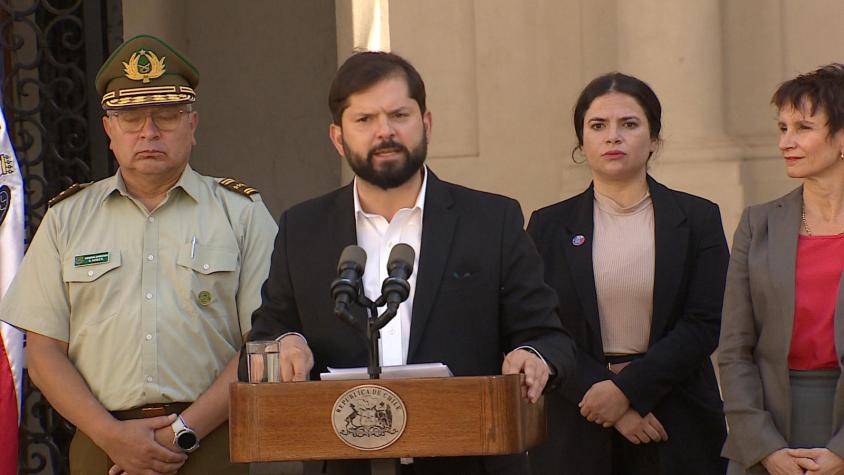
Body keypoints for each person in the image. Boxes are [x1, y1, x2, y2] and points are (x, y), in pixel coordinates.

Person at [243, 50, 576, 475]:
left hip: (469, 462)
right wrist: (286, 342)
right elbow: (265, 335)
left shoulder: (491, 221)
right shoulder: (302, 229)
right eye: (364, 120)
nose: (385, 132)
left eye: (399, 114)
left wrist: (533, 356)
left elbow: (550, 337)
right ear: (337, 137)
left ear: (427, 124)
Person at [0, 34, 277, 475]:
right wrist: (110, 435)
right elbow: (44, 351)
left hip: (213, 441)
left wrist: (182, 431)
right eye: (130, 117)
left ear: (193, 124)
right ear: (109, 128)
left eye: (166, 115)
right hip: (102, 446)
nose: (149, 131)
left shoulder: (240, 214)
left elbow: (263, 343)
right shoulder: (67, 220)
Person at [526, 72, 729, 475]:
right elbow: (539, 326)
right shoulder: (547, 226)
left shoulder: (698, 217)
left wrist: (627, 391)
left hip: (675, 414)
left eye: (629, 124)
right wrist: (606, 400)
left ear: (654, 139)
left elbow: (705, 322)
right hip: (578, 416)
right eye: (598, 126)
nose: (612, 137)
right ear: (582, 142)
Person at [719, 63, 844, 475]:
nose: (785, 142)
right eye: (782, 127)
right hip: (766, 427)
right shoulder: (758, 224)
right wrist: (763, 447)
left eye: (803, 127)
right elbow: (734, 349)